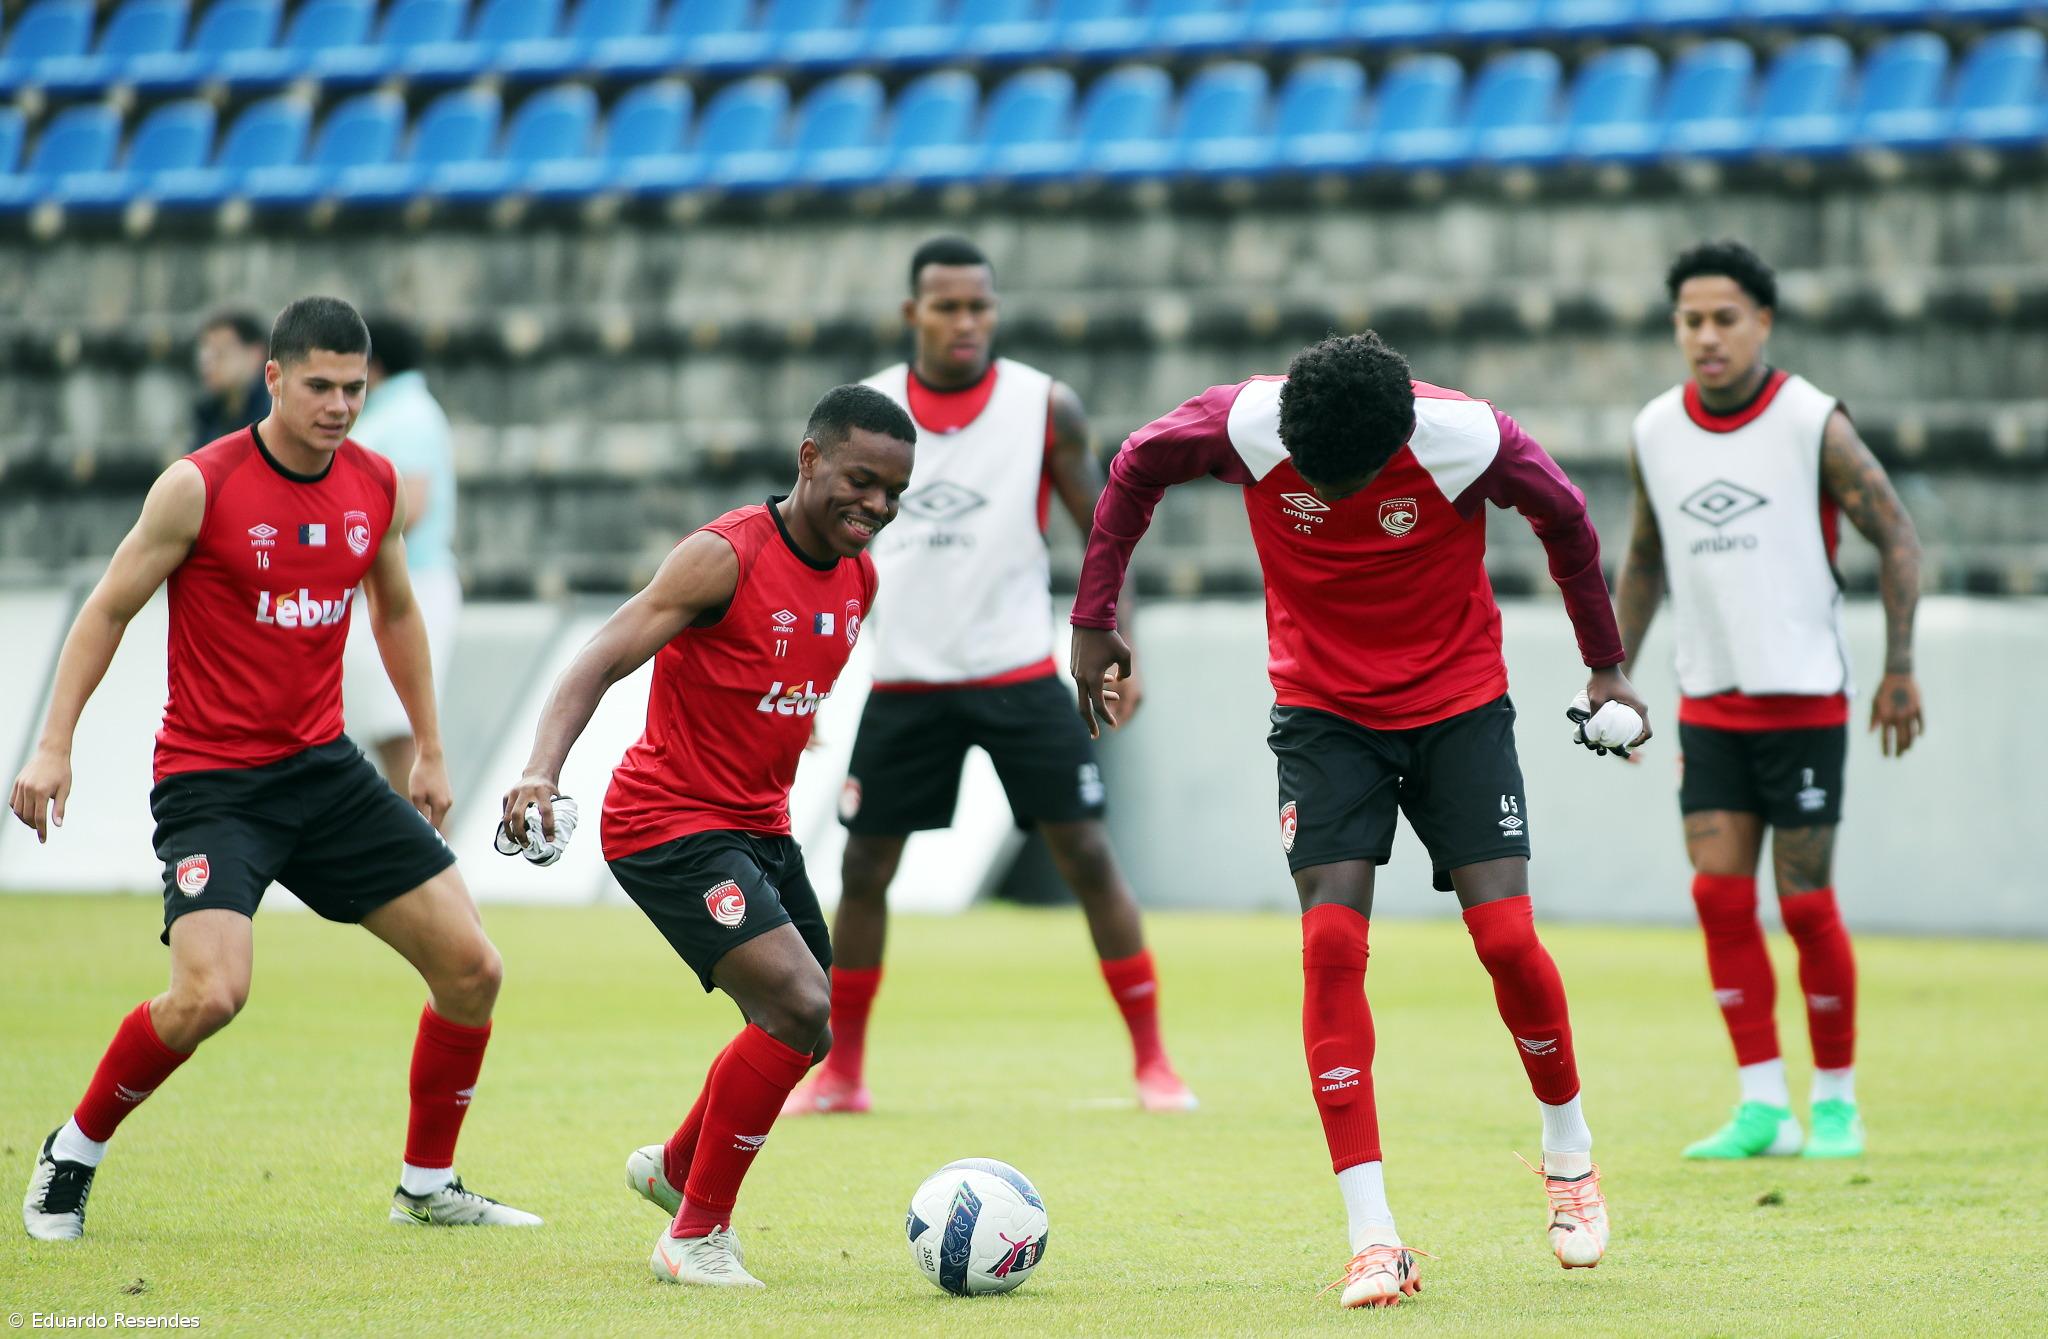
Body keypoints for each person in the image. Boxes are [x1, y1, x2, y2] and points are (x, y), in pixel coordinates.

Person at [1068, 332, 1646, 1307]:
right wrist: (1093, 618)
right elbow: (1132, 467)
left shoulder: (1469, 438)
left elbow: (1567, 517)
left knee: (1506, 939)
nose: (1326, 494)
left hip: (1458, 705)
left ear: (1398, 441)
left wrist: (1605, 666)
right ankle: (1373, 1237)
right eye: (1312, 475)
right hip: (1323, 715)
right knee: (1330, 944)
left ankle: (1569, 1154)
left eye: (1351, 481)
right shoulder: (1244, 421)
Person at [12, 297, 537, 1241]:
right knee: (209, 995)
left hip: (327, 775)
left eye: (354, 388)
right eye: (320, 386)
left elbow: (397, 611)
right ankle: (72, 1151)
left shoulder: (374, 483)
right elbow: (107, 608)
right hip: (214, 783)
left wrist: (429, 746)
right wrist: (53, 743)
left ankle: (426, 1186)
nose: (338, 406)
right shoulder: (198, 486)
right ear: (274, 379)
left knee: (473, 968)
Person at [499, 385, 915, 1288]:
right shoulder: (723, 556)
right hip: (668, 822)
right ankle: (693, 1235)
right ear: (809, 459)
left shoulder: (861, 578)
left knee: (810, 1027)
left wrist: (787, 721)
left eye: (894, 492)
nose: (877, 506)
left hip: (759, 825)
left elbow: (776, 674)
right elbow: (600, 657)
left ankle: (678, 1168)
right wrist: (540, 769)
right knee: (797, 1004)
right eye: (861, 481)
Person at [782, 236, 1195, 1119]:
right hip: (906, 679)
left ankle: (1154, 1062)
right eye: (947, 306)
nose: (965, 322)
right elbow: (811, 549)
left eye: (980, 306)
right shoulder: (869, 410)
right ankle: (843, 1071)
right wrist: (806, 673)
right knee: (864, 867)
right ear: (913, 313)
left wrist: (1117, 639)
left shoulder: (1044, 405)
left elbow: (1105, 529)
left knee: (1088, 853)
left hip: (1018, 672)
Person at [1612, 240, 1923, 1162]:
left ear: (1763, 322)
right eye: (1690, 321)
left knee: (1806, 905)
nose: (1707, 337)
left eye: (1725, 319)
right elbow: (1643, 560)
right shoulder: (1655, 430)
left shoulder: (1811, 421)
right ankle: (1763, 1107)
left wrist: (1899, 666)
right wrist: (1612, 675)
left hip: (1804, 702)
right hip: (1710, 701)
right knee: (1717, 896)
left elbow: (1897, 535)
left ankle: (1836, 1102)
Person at [342, 313, 463, 805]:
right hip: (385, 585)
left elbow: (411, 502)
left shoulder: (409, 414)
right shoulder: (393, 411)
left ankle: (430, 846)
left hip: (413, 582)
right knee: (385, 731)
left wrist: (344, 554)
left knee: (402, 732)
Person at [192, 307, 272, 450]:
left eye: (220, 353)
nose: (208, 364)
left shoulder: (272, 418)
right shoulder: (207, 416)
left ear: (255, 355)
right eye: (205, 354)